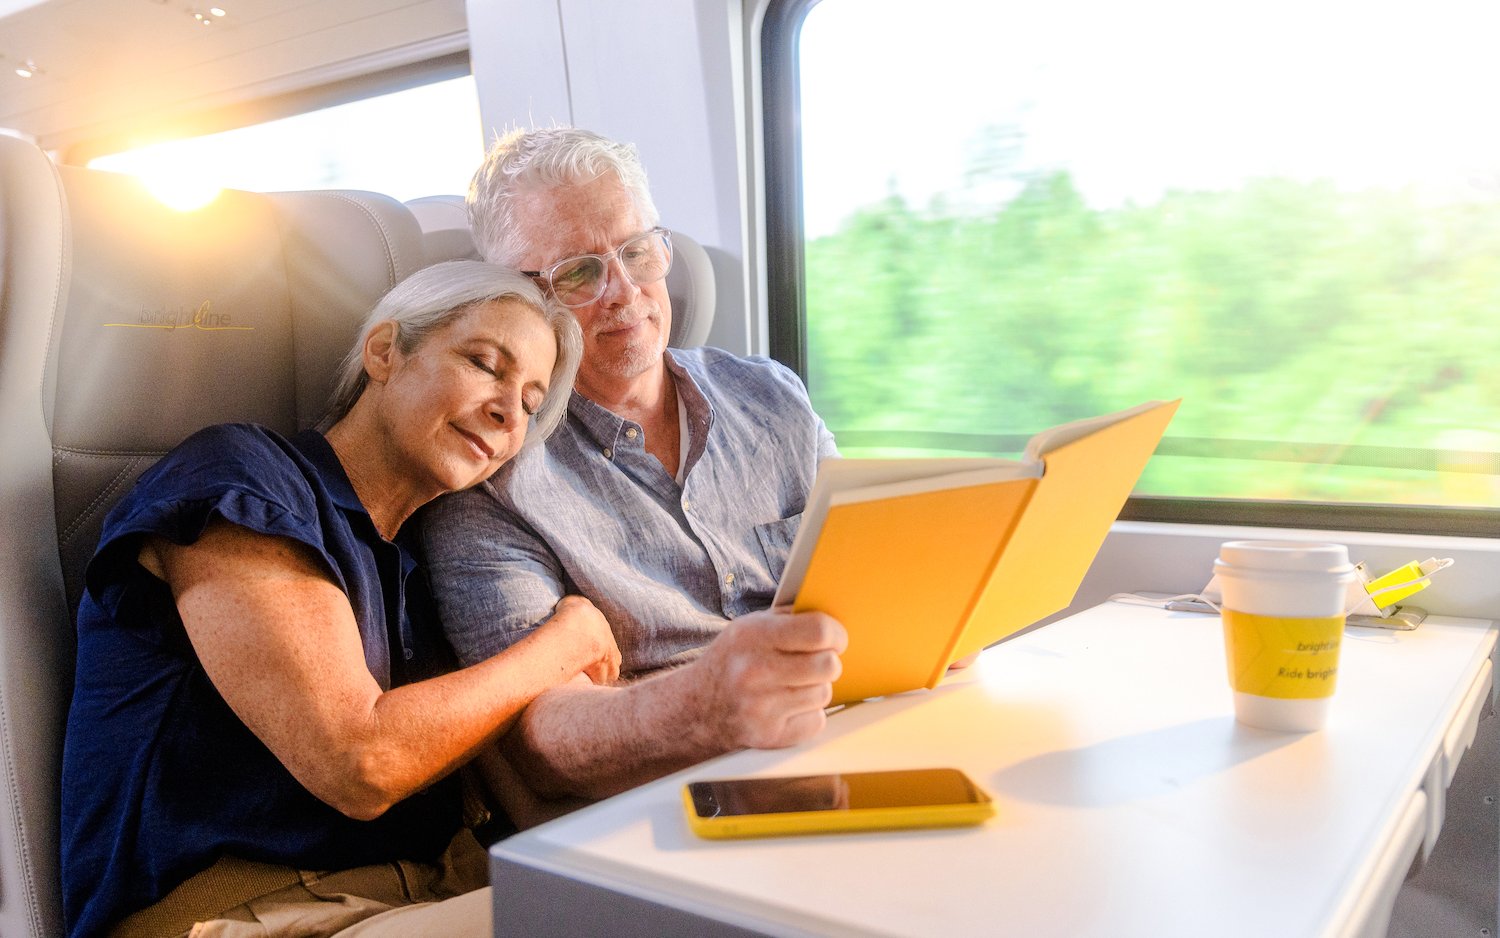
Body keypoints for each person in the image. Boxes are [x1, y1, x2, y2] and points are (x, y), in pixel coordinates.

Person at [60, 261, 620, 938]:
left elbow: (522, 802)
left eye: (531, 403)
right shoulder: (238, 477)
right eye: (483, 363)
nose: (509, 412)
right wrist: (563, 643)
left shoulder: (420, 566)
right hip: (244, 917)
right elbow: (359, 761)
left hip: (430, 896)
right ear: (385, 351)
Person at [421, 128, 846, 809]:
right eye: (580, 273)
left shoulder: (772, 395)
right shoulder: (492, 476)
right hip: (674, 802)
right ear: (520, 297)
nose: (624, 290)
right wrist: (701, 709)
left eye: (637, 250)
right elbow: (537, 738)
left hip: (855, 733)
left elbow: (864, 573)